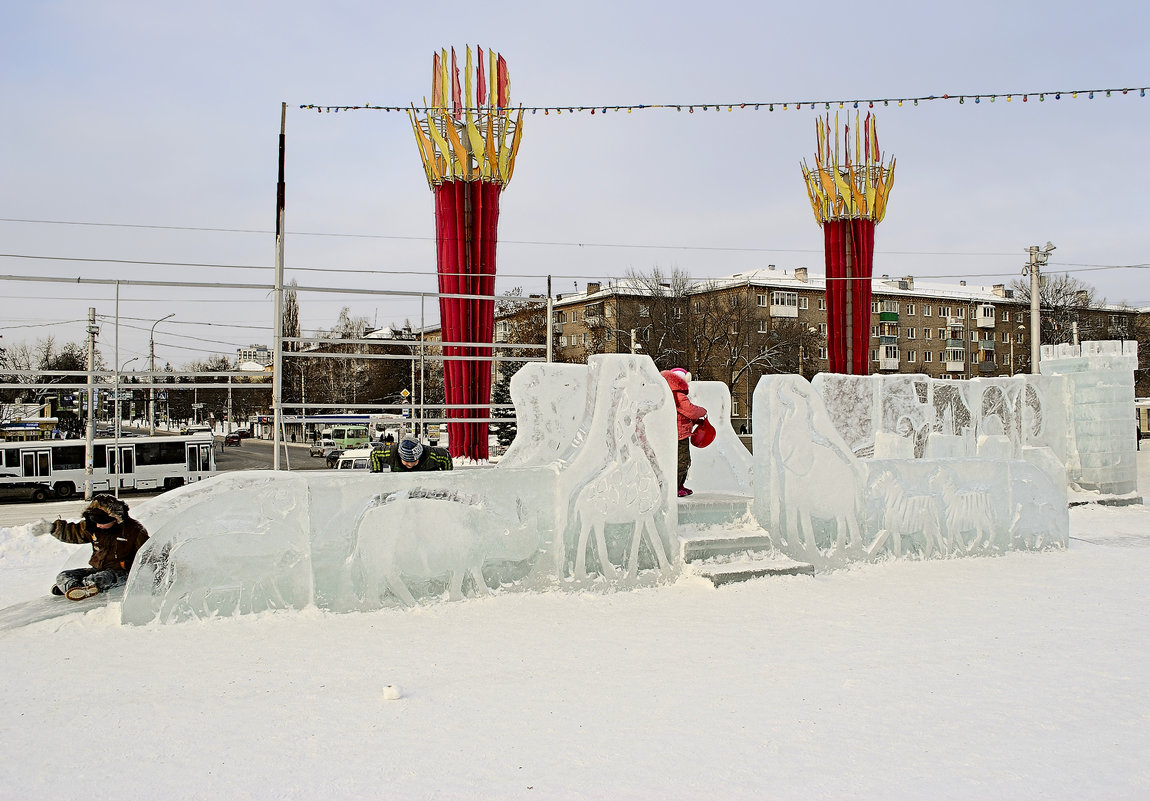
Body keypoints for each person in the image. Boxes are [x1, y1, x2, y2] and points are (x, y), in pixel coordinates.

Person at [49, 494, 150, 600]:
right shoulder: (93, 526)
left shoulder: (134, 531)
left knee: (100, 579)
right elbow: (74, 532)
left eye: (102, 523)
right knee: (63, 576)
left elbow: (149, 553)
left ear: (115, 519)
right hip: (97, 569)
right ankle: (74, 588)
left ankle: (85, 586)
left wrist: (129, 565)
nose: (98, 526)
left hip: (121, 573)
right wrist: (52, 528)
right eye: (96, 522)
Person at [660, 368, 708, 497]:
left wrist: (696, 422)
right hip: (680, 435)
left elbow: (682, 416)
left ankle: (680, 485)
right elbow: (690, 410)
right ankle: (675, 487)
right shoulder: (678, 395)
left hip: (677, 433)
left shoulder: (669, 394)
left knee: (683, 460)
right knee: (682, 460)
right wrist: (702, 411)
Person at [370, 438, 453, 473]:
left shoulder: (431, 454)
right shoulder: (391, 453)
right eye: (406, 461)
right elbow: (375, 453)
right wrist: (377, 476)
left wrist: (446, 481)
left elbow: (445, 456)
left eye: (414, 461)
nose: (410, 464)